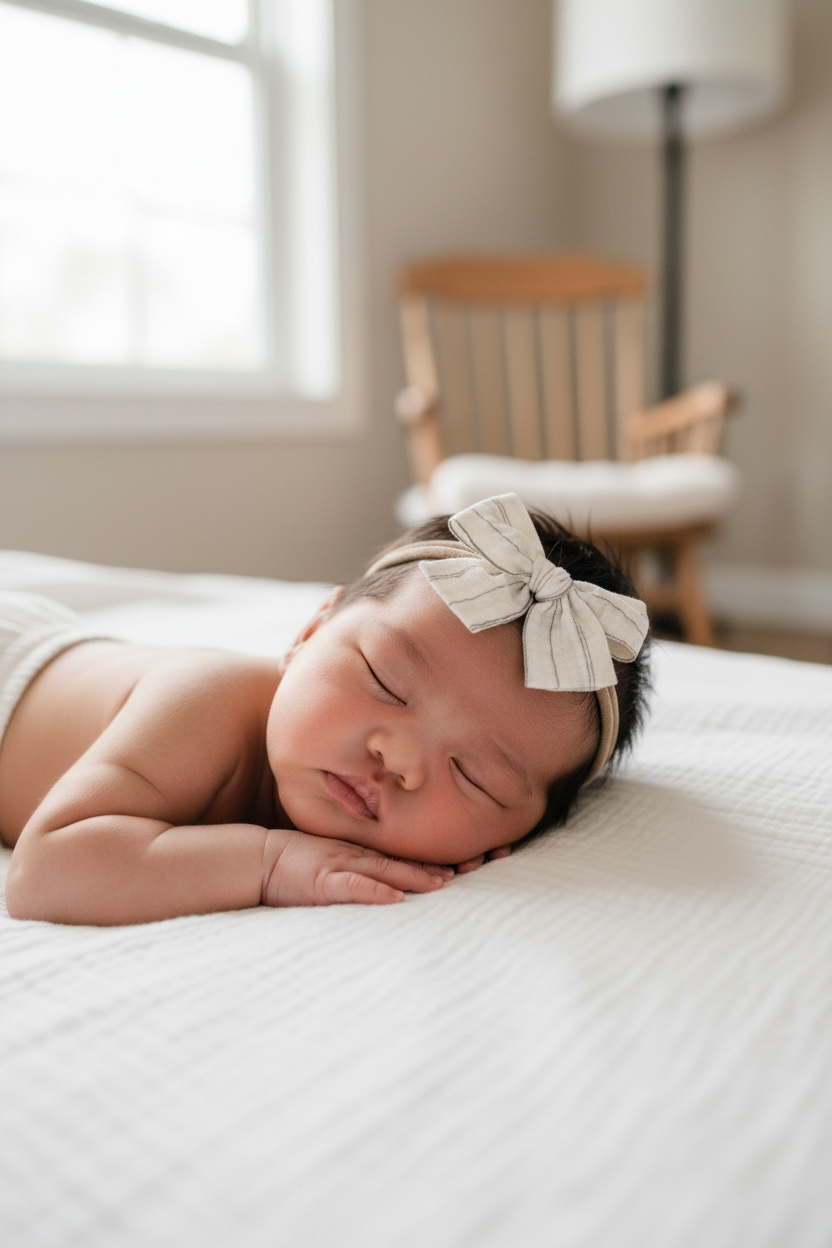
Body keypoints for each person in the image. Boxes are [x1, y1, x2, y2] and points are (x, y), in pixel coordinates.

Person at [1, 494, 650, 926]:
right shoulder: (204, 701)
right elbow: (45, 871)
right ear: (311, 632)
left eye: (473, 775)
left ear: (509, 841)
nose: (398, 759)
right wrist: (269, 863)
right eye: (386, 682)